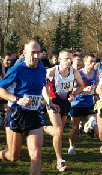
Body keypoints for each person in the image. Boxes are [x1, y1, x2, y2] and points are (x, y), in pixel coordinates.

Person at [0, 40, 59, 175]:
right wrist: (17, 100)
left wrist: (49, 102)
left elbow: (42, 86)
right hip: (17, 114)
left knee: (36, 154)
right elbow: (1, 89)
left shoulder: (41, 68)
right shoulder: (17, 69)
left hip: (35, 114)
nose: (36, 56)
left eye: (38, 52)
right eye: (33, 53)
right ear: (24, 53)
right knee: (13, 156)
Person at [42, 49, 84, 171]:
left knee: (57, 132)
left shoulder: (74, 72)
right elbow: (42, 85)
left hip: (65, 102)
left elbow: (81, 85)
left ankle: (43, 128)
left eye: (70, 58)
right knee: (59, 131)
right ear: (59, 59)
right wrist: (48, 100)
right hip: (53, 101)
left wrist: (74, 94)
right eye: (66, 58)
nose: (69, 61)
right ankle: (59, 160)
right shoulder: (51, 71)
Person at [68, 54, 98, 155]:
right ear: (84, 62)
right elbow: (72, 89)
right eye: (90, 62)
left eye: (94, 61)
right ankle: (72, 146)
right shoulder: (78, 73)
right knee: (75, 127)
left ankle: (88, 126)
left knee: (94, 121)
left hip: (89, 103)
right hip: (77, 103)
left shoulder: (95, 73)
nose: (93, 64)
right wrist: (84, 89)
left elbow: (97, 85)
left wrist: (95, 93)